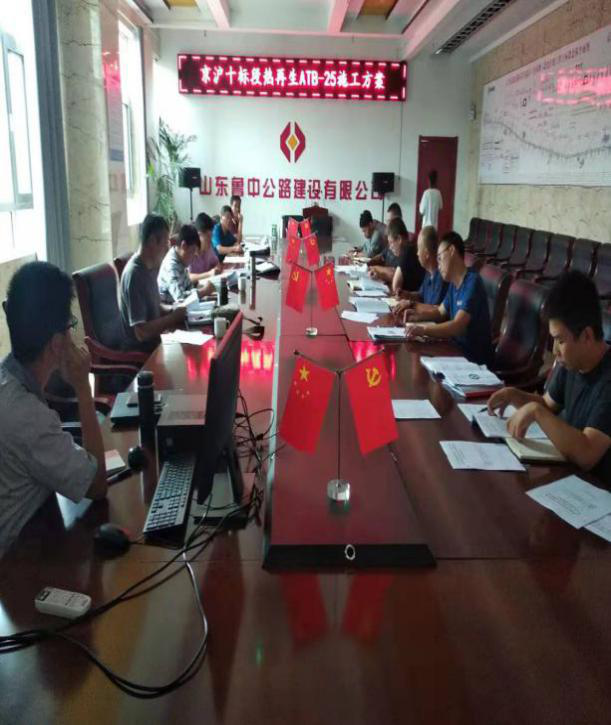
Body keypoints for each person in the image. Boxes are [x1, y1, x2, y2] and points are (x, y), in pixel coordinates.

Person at [0, 262, 107, 554]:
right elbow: (97, 486)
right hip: (18, 563)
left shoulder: (9, 384)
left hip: (39, 530)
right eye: (70, 326)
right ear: (57, 343)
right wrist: (83, 388)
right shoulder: (27, 416)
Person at [488, 271, 611, 481]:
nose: (555, 351)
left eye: (560, 341)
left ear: (587, 335)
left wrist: (536, 412)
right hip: (568, 474)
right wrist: (515, 395)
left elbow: (587, 453)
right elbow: (547, 405)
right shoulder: (573, 361)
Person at [405, 231, 493, 366]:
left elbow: (458, 326)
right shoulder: (454, 283)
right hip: (455, 351)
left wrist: (423, 330)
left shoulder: (472, 282)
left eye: (440, 258)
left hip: (473, 361)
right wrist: (417, 316)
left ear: (451, 250)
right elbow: (440, 312)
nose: (438, 264)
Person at [120, 214, 187, 352]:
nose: (168, 249)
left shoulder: (151, 266)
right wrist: (173, 318)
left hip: (158, 342)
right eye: (165, 243)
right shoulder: (134, 274)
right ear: (152, 241)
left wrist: (173, 309)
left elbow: (154, 307)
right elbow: (141, 333)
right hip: (142, 353)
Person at [394, 226, 448, 320]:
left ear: (426, 254)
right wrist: (407, 294)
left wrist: (411, 304)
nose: (417, 253)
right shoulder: (428, 273)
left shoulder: (443, 277)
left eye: (419, 249)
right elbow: (421, 296)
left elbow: (438, 310)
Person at [157, 224, 215, 304]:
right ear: (184, 245)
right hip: (170, 308)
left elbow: (189, 288)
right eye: (193, 251)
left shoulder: (181, 261)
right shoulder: (171, 266)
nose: (194, 257)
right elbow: (181, 299)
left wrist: (202, 291)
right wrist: (204, 291)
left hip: (182, 308)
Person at [370, 217, 424, 294]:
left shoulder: (407, 252)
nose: (390, 247)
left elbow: (395, 287)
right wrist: (380, 275)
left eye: (391, 242)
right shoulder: (408, 249)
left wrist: (375, 268)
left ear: (399, 239)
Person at [189, 212, 221, 284]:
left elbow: (216, 263)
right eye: (208, 237)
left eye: (211, 236)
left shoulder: (208, 248)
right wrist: (209, 274)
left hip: (208, 285)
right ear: (199, 235)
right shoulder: (190, 250)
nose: (210, 240)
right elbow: (188, 277)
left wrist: (216, 268)